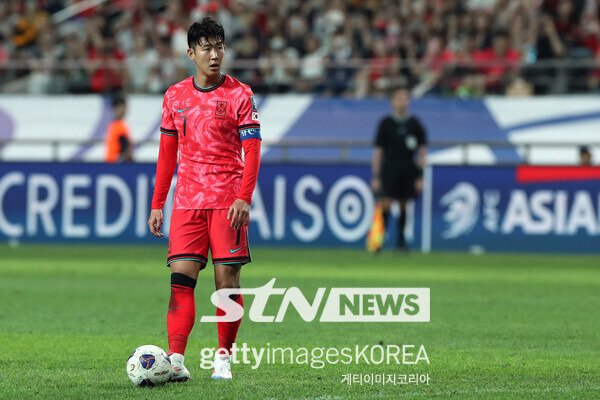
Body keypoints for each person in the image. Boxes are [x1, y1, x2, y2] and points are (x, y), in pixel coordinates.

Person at [147, 17, 261, 381]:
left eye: (219, 47)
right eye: (207, 48)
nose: (214, 55)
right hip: (187, 203)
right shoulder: (174, 96)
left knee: (227, 281)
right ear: (190, 53)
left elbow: (253, 149)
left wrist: (245, 197)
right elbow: (167, 155)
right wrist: (157, 203)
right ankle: (176, 360)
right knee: (181, 280)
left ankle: (223, 358)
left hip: (228, 201)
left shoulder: (240, 94)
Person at [371, 87, 427, 252]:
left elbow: (422, 152)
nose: (402, 101)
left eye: (405, 98)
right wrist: (376, 176)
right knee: (386, 203)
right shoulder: (385, 123)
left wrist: (420, 176)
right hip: (390, 168)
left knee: (404, 204)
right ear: (392, 102)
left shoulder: (415, 124)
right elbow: (378, 152)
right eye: (399, 98)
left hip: (408, 168)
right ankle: (379, 239)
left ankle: (401, 241)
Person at [104, 96, 133, 163]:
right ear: (114, 109)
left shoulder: (114, 125)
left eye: (124, 107)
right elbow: (124, 146)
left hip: (111, 162)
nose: (123, 110)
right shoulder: (119, 126)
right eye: (120, 107)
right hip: (116, 163)